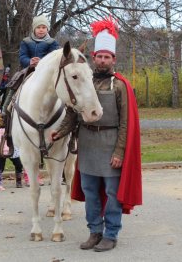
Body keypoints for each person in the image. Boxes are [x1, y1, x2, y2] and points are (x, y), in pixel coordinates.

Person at [51, 17, 142, 252]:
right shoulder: (86, 81)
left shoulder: (121, 85)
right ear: (94, 58)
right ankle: (95, 231)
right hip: (88, 144)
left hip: (111, 144)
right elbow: (73, 112)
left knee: (112, 192)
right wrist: (60, 132)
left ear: (113, 59)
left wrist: (120, 151)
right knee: (90, 190)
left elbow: (126, 123)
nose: (102, 60)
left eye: (106, 57)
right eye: (99, 56)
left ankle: (111, 234)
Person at [0, 15, 60, 129]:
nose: (41, 29)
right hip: (29, 69)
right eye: (38, 27)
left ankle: (68, 114)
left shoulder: (52, 42)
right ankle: (3, 115)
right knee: (14, 85)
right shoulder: (26, 41)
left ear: (47, 29)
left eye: (44, 27)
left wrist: (42, 62)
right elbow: (22, 57)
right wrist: (29, 61)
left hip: (47, 71)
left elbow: (54, 57)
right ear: (34, 29)